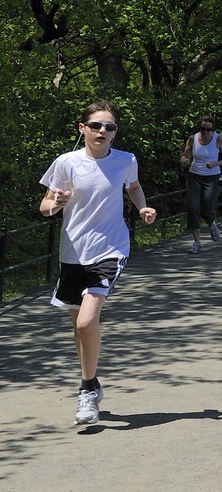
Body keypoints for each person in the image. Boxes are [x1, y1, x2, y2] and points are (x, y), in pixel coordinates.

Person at [38, 100, 158, 425]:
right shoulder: (66, 163)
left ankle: (88, 389)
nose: (102, 131)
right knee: (79, 326)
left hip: (110, 248)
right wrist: (56, 203)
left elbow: (133, 187)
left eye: (109, 127)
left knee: (85, 322)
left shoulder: (125, 160)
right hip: (73, 252)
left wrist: (142, 208)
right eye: (96, 126)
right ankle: (91, 383)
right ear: (83, 129)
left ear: (115, 133)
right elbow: (45, 207)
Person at [180, 116, 222, 254]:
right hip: (194, 176)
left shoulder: (218, 139)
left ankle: (211, 223)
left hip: (212, 177)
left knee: (208, 205)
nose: (205, 132)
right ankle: (196, 242)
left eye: (208, 129)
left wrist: (216, 163)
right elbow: (185, 154)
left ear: (213, 130)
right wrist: (184, 159)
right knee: (193, 208)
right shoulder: (193, 138)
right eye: (203, 129)